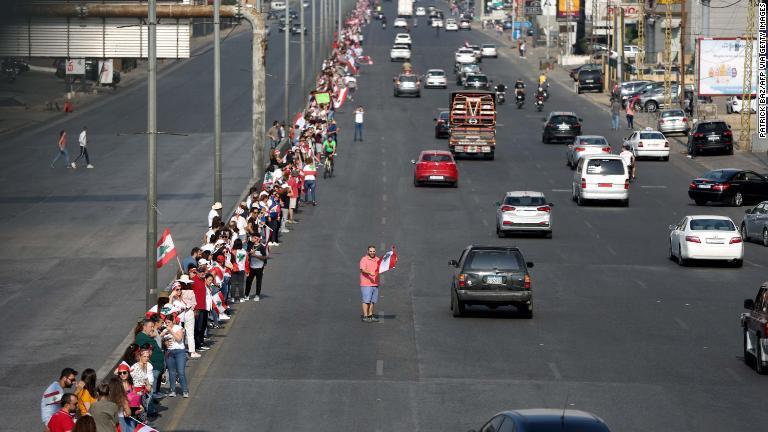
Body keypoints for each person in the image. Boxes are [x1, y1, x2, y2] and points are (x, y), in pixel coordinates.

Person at [133, 319, 164, 406]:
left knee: (152, 390)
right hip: (153, 367)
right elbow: (143, 353)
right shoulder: (141, 338)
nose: (153, 329)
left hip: (155, 366)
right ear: (144, 327)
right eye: (151, 327)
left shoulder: (146, 337)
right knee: (150, 390)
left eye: (153, 327)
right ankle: (150, 409)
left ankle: (151, 405)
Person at [160, 313, 189, 398]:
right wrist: (164, 341)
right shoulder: (165, 330)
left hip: (180, 352)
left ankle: (185, 391)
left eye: (168, 322)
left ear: (173, 321)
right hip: (169, 352)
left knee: (181, 372)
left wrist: (171, 331)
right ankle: (172, 390)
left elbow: (179, 339)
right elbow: (159, 338)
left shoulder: (179, 328)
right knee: (171, 372)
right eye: (166, 322)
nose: (167, 324)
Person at [359, 245, 381, 323]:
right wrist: (369, 272)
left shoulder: (377, 259)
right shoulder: (364, 259)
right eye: (370, 251)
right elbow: (362, 269)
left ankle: (370, 316)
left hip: (375, 283)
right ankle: (365, 316)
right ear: (368, 251)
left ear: (375, 251)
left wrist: (394, 261)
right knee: (366, 301)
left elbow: (382, 266)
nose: (372, 252)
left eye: (373, 251)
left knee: (372, 301)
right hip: (366, 284)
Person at [245, 233, 267, 301]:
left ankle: (257, 295)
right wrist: (249, 253)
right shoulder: (250, 246)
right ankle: (246, 295)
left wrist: (255, 255)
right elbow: (247, 254)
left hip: (259, 268)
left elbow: (264, 258)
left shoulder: (262, 247)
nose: (252, 239)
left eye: (253, 238)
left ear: (257, 239)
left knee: (258, 281)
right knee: (248, 281)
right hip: (251, 267)